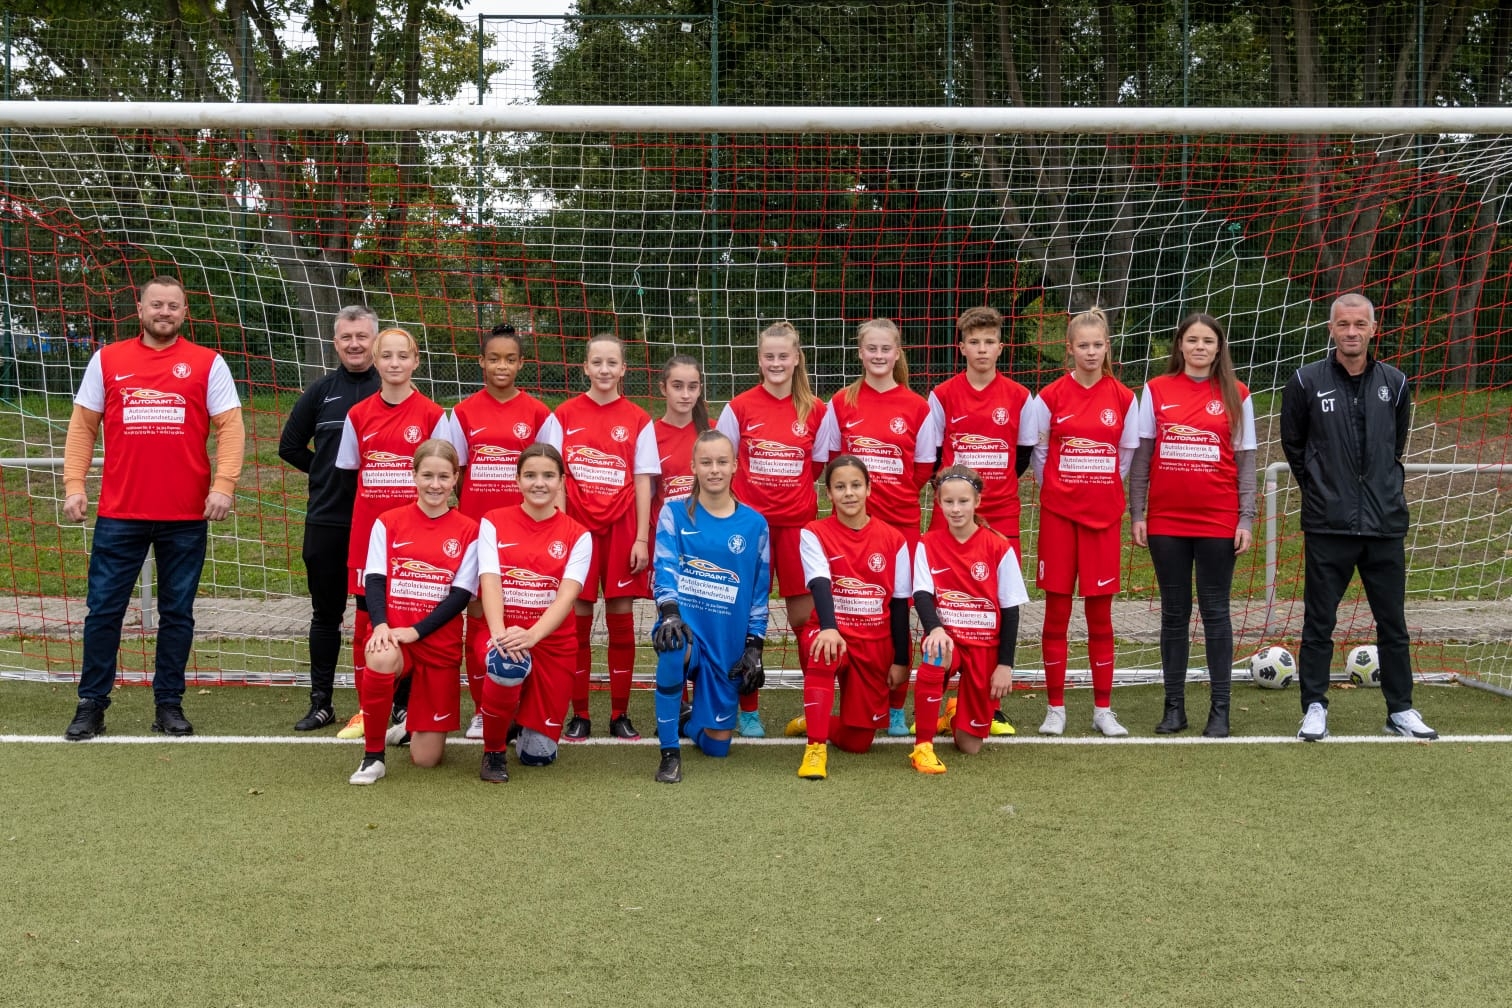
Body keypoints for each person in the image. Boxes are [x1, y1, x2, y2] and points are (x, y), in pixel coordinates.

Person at [62, 275, 245, 740]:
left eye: (173, 306)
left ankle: (169, 705)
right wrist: (74, 484)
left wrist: (223, 485)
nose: (165, 312)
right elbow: (83, 427)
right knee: (103, 611)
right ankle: (91, 704)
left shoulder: (208, 363)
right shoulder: (107, 359)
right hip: (120, 513)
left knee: (177, 614)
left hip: (185, 515)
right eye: (156, 304)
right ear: (140, 309)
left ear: (184, 313)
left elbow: (231, 428)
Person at [1279, 293, 1437, 741]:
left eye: (1359, 324)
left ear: (1373, 329)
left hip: (1384, 523)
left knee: (1393, 625)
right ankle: (1314, 706)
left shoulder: (1396, 383)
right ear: (1331, 329)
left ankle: (1400, 710)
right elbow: (1294, 446)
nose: (1351, 332)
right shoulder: (1305, 381)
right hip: (1328, 524)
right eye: (1343, 324)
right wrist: (1323, 489)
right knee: (1319, 622)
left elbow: (1394, 445)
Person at [1129, 313, 1257, 738]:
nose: (1200, 347)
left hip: (1218, 518)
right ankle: (1174, 709)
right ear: (1180, 345)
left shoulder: (1238, 393)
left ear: (1219, 348)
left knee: (1216, 611)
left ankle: (1220, 710)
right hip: (1167, 520)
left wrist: (1245, 517)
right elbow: (1142, 458)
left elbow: (1246, 462)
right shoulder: (1156, 390)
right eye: (1192, 339)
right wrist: (1138, 513)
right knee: (1174, 613)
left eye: (1208, 341)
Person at [918, 305, 1035, 736]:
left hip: (1000, 509)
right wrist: (958, 499)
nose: (982, 349)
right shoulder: (943, 394)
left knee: (993, 601)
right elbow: (933, 455)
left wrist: (987, 493)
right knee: (944, 598)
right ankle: (935, 699)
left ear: (1001, 347)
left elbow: (1022, 454)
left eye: (989, 342)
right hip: (951, 512)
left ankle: (989, 704)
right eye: (974, 342)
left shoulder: (1020, 397)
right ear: (962, 347)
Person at [1023, 307, 1139, 738]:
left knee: (1100, 615)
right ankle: (1055, 708)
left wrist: (1097, 487)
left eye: (1098, 345)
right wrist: (1062, 489)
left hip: (1102, 518)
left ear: (1107, 347)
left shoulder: (1124, 398)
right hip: (1058, 516)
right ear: (1069, 348)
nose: (1091, 352)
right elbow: (1040, 454)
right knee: (1056, 612)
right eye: (1083, 345)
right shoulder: (1049, 397)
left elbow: (1124, 457)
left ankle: (1102, 709)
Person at [813, 318, 932, 736]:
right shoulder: (841, 402)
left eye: (886, 349)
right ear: (860, 353)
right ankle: (840, 698)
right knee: (855, 609)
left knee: (901, 610)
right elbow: (832, 460)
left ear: (897, 354)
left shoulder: (918, 406)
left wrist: (894, 498)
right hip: (849, 529)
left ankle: (896, 706)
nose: (879, 355)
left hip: (899, 525)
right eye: (871, 348)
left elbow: (923, 468)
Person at [539, 332, 657, 742]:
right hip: (577, 529)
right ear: (585, 368)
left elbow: (643, 481)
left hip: (623, 527)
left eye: (612, 363)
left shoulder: (639, 419)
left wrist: (640, 538)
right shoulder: (563, 415)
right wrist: (560, 529)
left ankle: (620, 713)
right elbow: (554, 477)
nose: (604, 370)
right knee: (577, 621)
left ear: (624, 369)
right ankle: (581, 713)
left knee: (622, 620)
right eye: (597, 362)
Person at [334, 327, 450, 743]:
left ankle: (408, 704)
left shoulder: (434, 415)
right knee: (367, 624)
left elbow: (445, 474)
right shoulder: (357, 415)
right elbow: (350, 475)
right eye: (387, 356)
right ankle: (367, 710)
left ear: (416, 361)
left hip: (421, 538)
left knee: (416, 618)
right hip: (370, 537)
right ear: (375, 360)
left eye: (403, 356)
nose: (395, 363)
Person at [715, 321, 827, 739]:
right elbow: (722, 460)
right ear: (759, 360)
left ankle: (813, 704)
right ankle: (747, 709)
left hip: (798, 527)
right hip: (749, 527)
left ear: (796, 358)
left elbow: (817, 466)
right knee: (744, 615)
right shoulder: (739, 407)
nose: (776, 363)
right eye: (769, 356)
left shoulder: (817, 410)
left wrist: (789, 496)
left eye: (784, 356)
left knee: (804, 618)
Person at [348, 440, 479, 784]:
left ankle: (410, 724)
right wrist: (380, 625)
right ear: (414, 475)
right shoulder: (388, 522)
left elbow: (460, 596)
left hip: (438, 641)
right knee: (380, 655)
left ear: (455, 479)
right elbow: (375, 579)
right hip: (395, 634)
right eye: (427, 475)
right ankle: (373, 758)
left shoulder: (470, 530)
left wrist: (417, 631)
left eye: (443, 477)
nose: (435, 484)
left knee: (426, 760)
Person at [277, 304, 381, 731]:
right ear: (335, 343)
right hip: (328, 519)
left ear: (375, 341)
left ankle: (386, 703)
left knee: (377, 616)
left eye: (362, 336)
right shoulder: (321, 392)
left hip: (380, 526)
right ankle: (321, 702)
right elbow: (289, 446)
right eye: (346, 337)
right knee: (326, 614)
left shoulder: (391, 389)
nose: (355, 344)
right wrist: (324, 472)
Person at [649, 429, 771, 784]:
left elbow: (759, 593)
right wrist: (670, 613)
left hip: (726, 642)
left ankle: (687, 721)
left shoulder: (755, 525)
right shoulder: (674, 513)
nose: (714, 469)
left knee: (718, 746)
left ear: (735, 465)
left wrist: (755, 645)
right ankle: (669, 753)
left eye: (721, 462)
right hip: (684, 627)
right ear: (693, 467)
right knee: (673, 645)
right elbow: (664, 568)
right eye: (705, 462)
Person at [449, 323, 551, 740]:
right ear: (481, 362)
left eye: (510, 359)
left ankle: (525, 706)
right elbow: (457, 472)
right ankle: (482, 709)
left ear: (521, 363)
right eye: (494, 358)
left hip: (526, 531)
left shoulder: (539, 413)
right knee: (479, 614)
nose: (502, 366)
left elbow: (551, 476)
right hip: (478, 531)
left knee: (524, 612)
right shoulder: (462, 412)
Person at [785, 456, 912, 781]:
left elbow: (900, 605)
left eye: (856, 485)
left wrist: (900, 660)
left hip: (873, 642)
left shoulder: (894, 540)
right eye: (840, 487)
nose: (849, 493)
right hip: (829, 631)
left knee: (858, 743)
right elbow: (819, 582)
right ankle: (815, 749)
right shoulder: (814, 532)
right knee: (823, 649)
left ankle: (816, 720)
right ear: (829, 493)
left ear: (869, 488)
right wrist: (829, 628)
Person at [474, 443, 592, 782]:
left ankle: (515, 718)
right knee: (507, 663)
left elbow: (566, 598)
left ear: (561, 482)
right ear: (517, 480)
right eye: (530, 475)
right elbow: (490, 583)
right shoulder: (493, 522)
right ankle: (494, 751)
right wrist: (500, 635)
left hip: (552, 643)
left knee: (537, 755)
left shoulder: (578, 535)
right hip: (502, 633)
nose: (539, 483)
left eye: (548, 476)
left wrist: (532, 635)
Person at [911, 465, 1029, 771]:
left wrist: (1005, 665)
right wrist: (935, 629)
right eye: (949, 501)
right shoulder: (927, 543)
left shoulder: (999, 546)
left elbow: (1010, 610)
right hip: (950, 641)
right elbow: (921, 594)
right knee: (935, 651)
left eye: (963, 501)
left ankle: (953, 714)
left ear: (977, 501)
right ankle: (922, 747)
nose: (956, 509)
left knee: (969, 746)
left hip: (985, 648)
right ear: (939, 502)